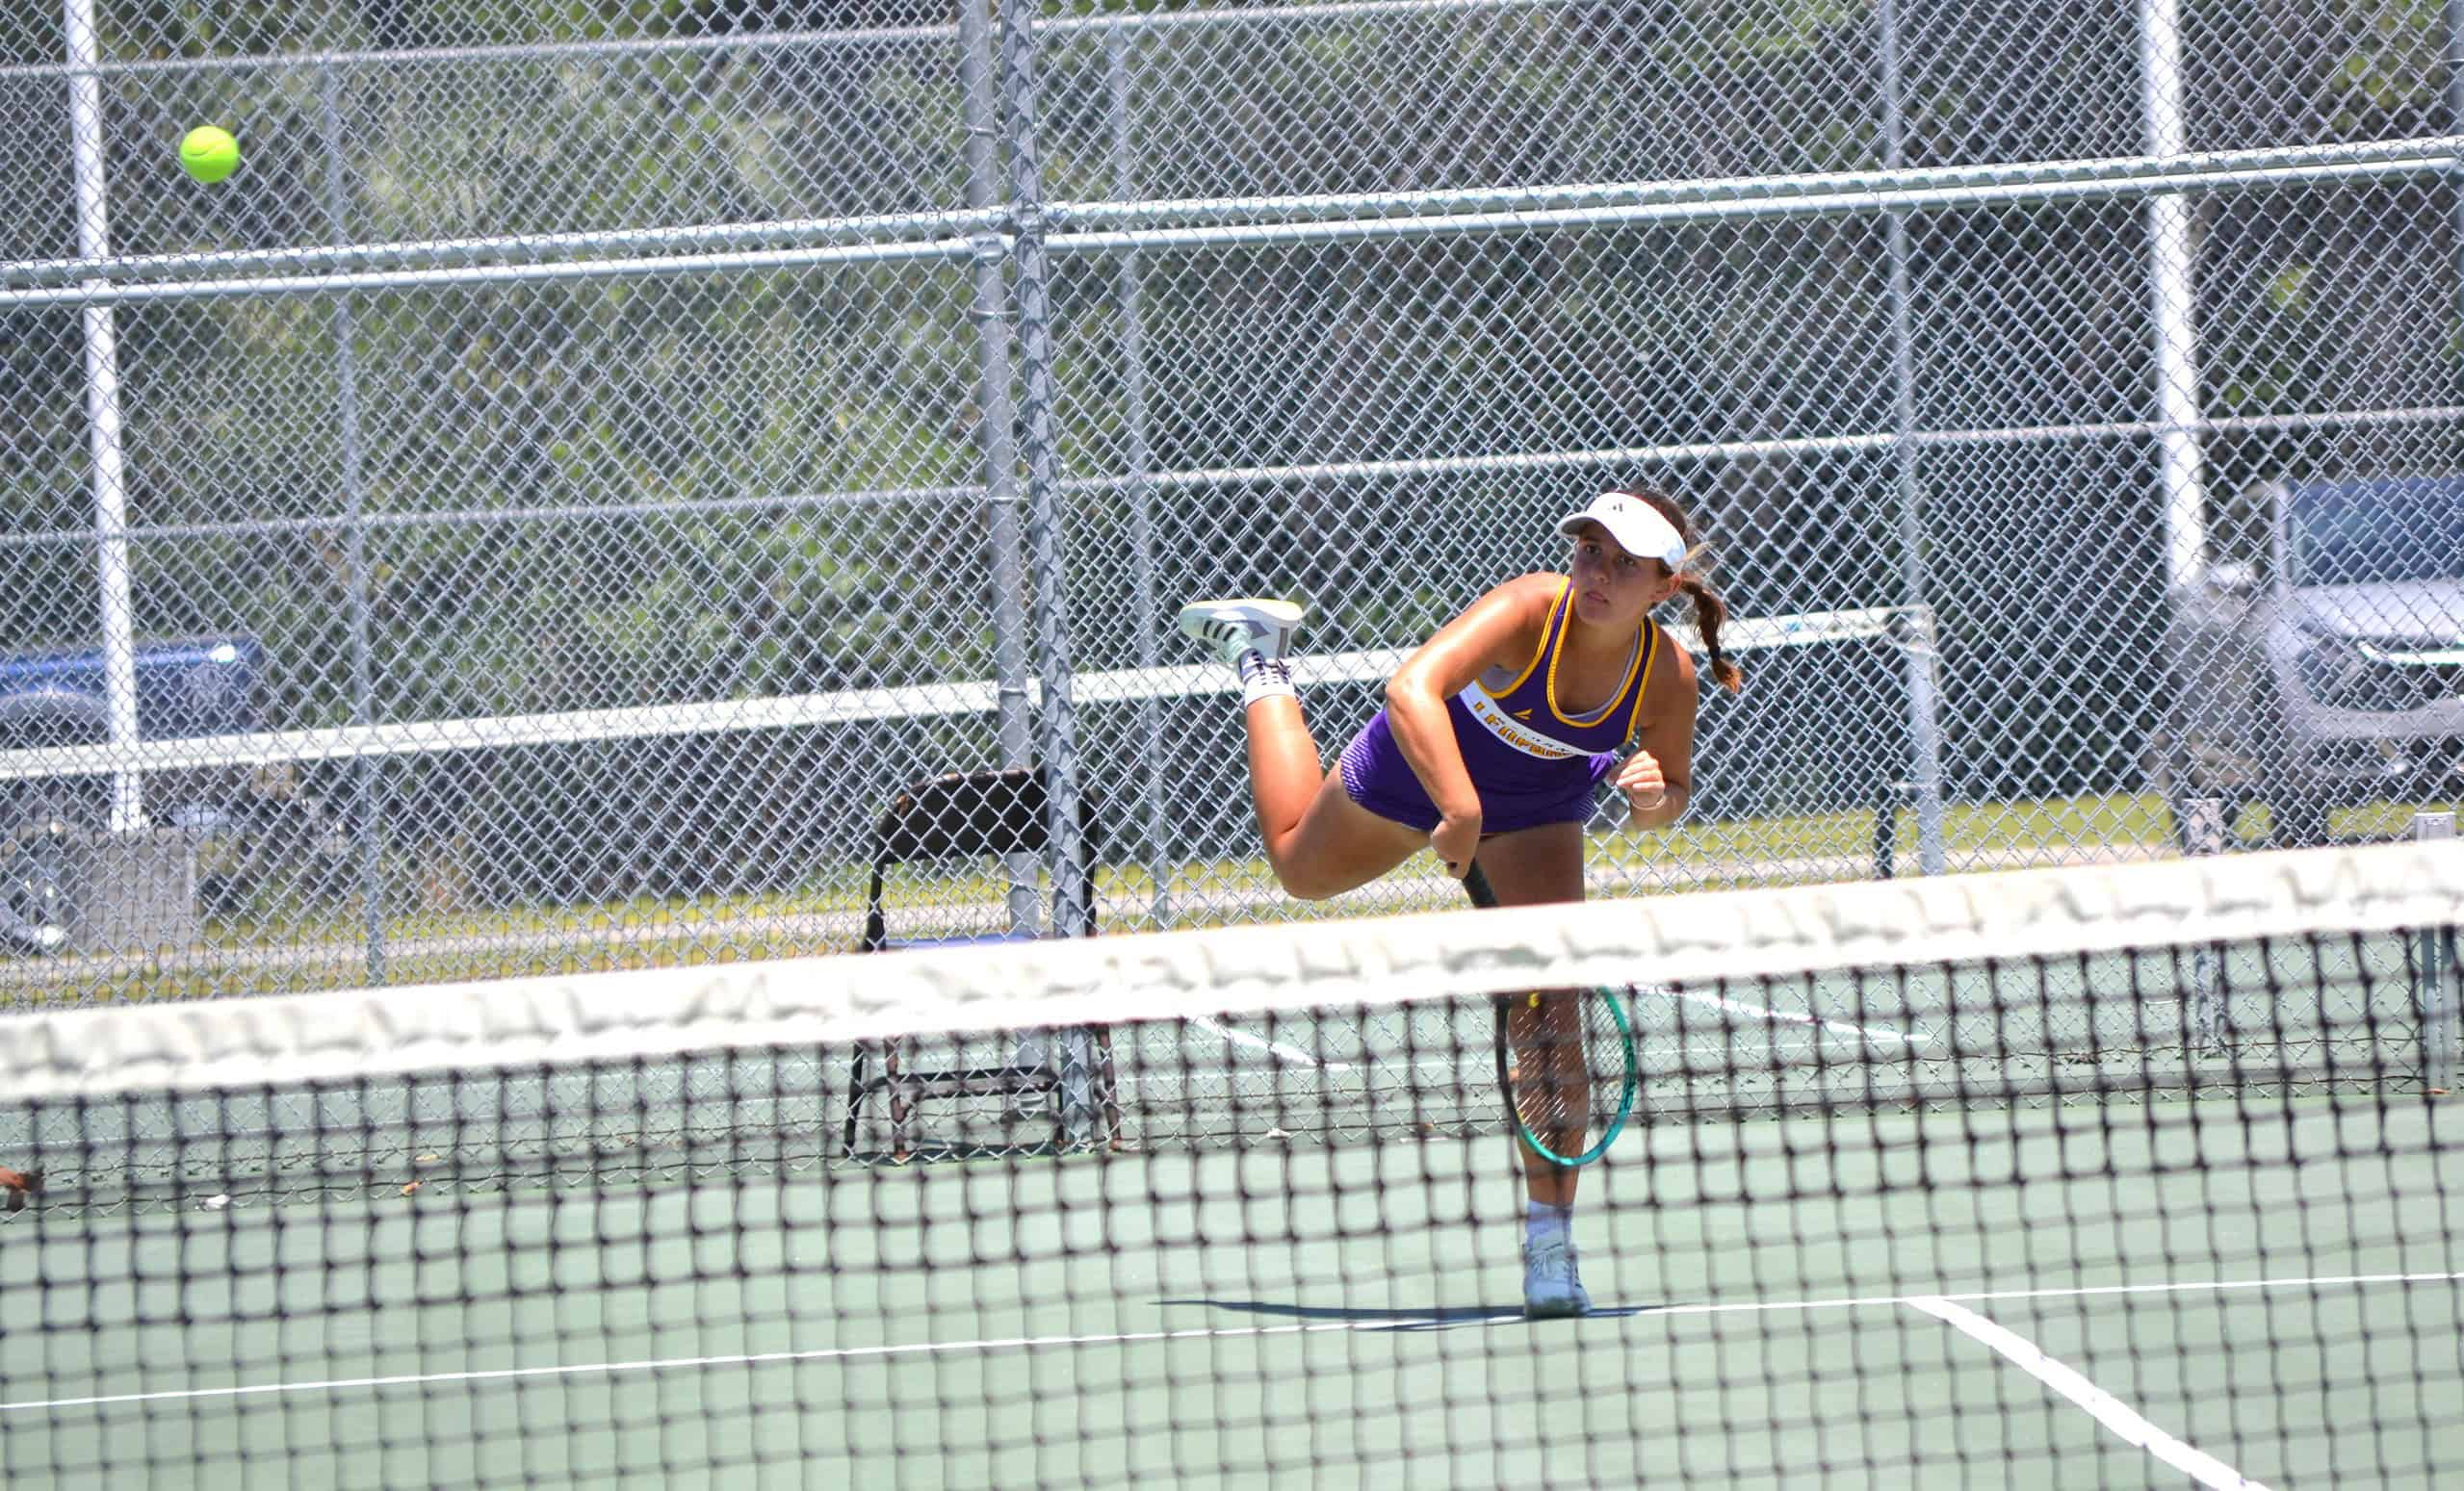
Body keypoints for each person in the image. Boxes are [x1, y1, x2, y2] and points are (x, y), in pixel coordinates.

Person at [1177, 486, 1744, 1317]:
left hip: (1537, 811)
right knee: (1298, 867)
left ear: (1662, 586)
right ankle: (1261, 658)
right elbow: (1409, 688)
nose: (1598, 573)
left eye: (1624, 564)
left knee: (1551, 1020)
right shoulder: (1526, 611)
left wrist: (1654, 796)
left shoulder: (1666, 676)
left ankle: (1549, 1246)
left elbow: (1674, 796)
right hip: (1420, 766)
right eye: (1589, 551)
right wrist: (1458, 809)